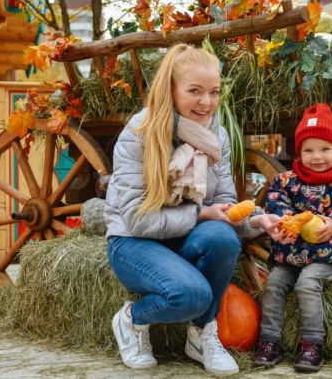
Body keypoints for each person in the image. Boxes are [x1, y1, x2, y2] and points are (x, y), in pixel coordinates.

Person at [104, 43, 280, 375]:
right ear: (171, 90)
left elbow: (222, 206)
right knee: (191, 295)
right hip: (134, 241)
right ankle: (131, 319)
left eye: (213, 92)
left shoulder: (217, 137)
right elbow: (137, 220)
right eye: (195, 91)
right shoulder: (140, 134)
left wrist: (258, 220)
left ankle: (201, 334)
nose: (206, 102)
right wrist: (200, 215)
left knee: (222, 238)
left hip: (181, 237)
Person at [253, 103, 332, 372]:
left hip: (331, 252)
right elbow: (276, 200)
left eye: (324, 149)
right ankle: (269, 341)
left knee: (307, 283)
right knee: (274, 283)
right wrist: (287, 220)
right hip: (292, 253)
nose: (316, 156)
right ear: (299, 152)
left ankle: (312, 344)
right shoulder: (287, 181)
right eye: (308, 150)